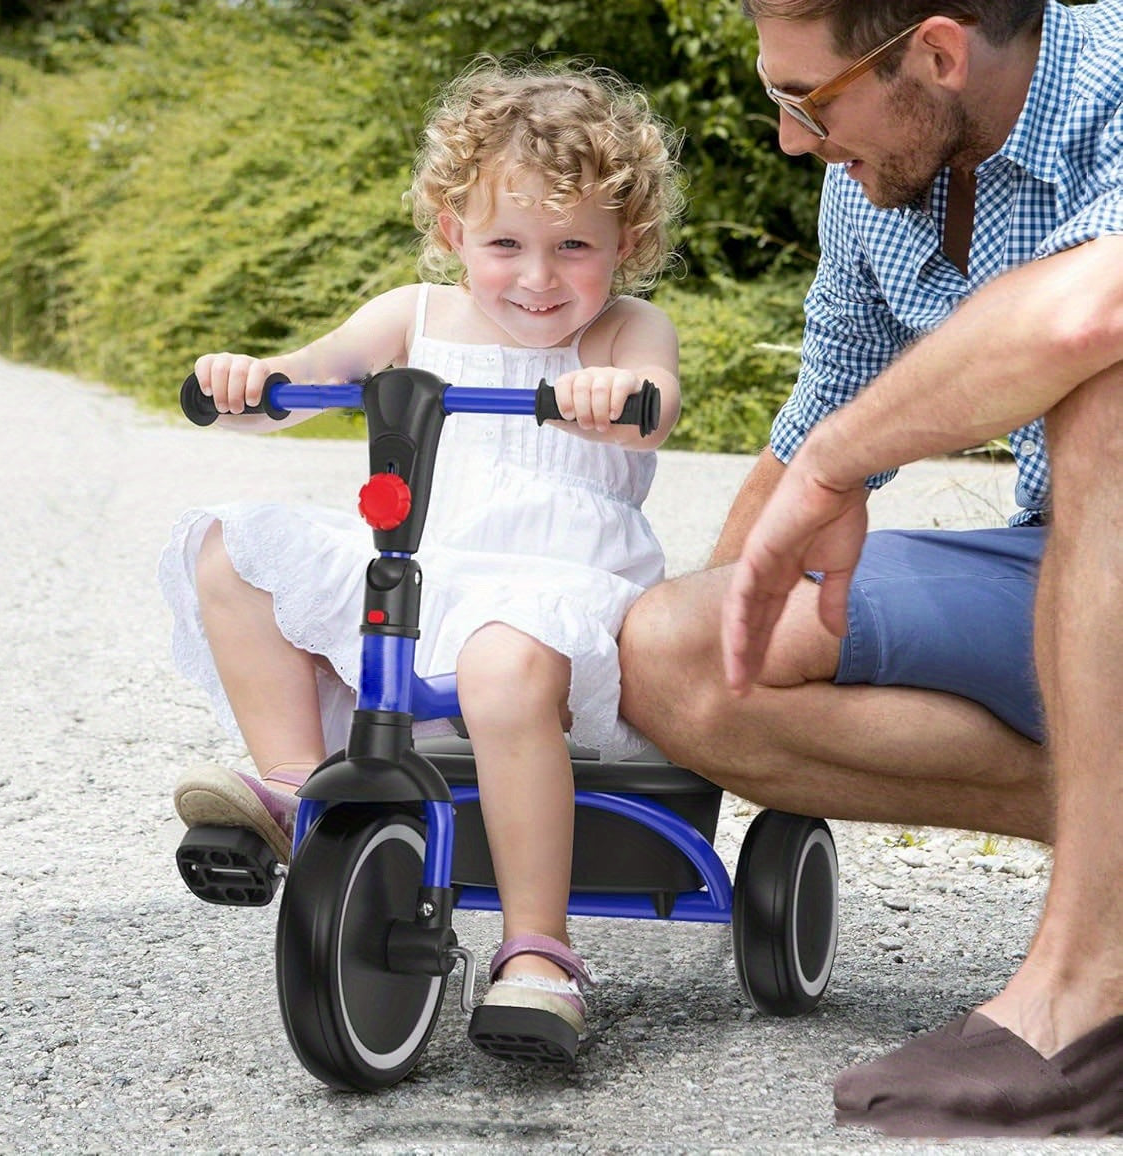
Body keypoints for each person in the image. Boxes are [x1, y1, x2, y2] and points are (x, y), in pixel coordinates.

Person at [618, 0, 1122, 1137]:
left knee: (1108, 387)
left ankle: (1088, 994)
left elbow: (1089, 311)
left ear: (936, 53)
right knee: (680, 653)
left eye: (806, 100)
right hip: (1078, 570)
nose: (793, 139)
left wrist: (842, 466)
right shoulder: (875, 181)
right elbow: (821, 413)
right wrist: (637, 728)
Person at [160, 59, 684, 1067]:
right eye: (505, 245)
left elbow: (655, 405)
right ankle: (292, 783)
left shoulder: (625, 326)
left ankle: (538, 950)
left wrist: (616, 395)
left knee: (501, 661)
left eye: (574, 246)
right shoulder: (413, 315)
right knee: (233, 550)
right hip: (423, 564)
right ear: (453, 235)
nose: (537, 277)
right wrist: (254, 381)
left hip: (549, 589)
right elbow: (308, 378)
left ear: (628, 242)